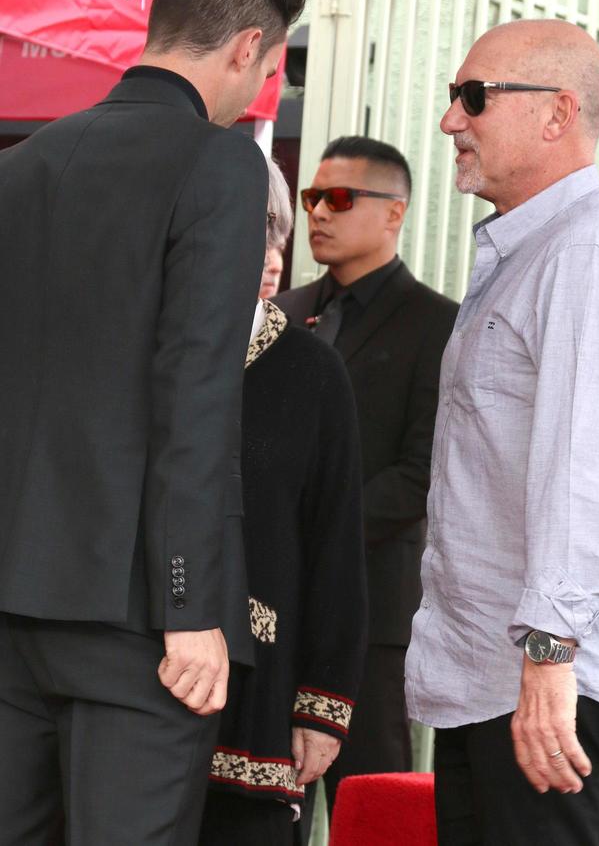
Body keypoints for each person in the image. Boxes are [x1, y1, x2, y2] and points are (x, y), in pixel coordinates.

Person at [0, 0, 305, 845]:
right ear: (250, 48)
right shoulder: (220, 163)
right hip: (138, 623)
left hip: (13, 607)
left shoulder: (21, 167)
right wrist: (191, 607)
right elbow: (194, 393)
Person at [405, 19, 599, 846]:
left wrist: (550, 658)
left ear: (558, 114)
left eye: (475, 97)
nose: (452, 119)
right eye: (455, 97)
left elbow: (584, 467)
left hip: (549, 689)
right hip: (499, 679)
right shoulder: (537, 250)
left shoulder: (590, 254)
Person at [275, 136, 458, 811]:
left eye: (340, 198)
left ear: (394, 213)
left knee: (372, 805)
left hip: (372, 616)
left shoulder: (439, 326)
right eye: (311, 197)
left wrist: (310, 531)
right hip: (270, 607)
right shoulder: (283, 314)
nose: (318, 212)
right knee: (263, 799)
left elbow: (423, 474)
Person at [199, 159, 367, 846]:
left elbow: (335, 546)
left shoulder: (311, 371)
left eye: (266, 235)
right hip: (131, 685)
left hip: (259, 691)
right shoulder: (134, 352)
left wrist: (321, 708)